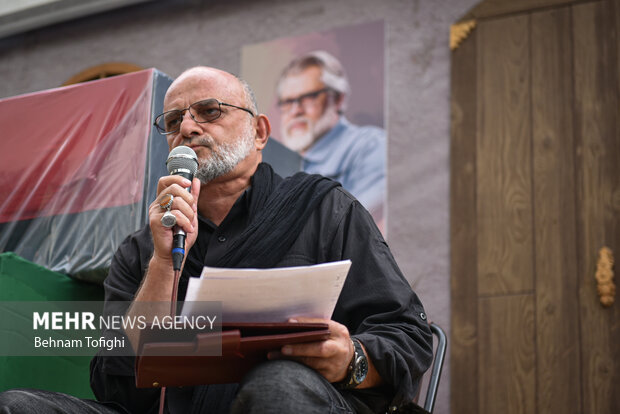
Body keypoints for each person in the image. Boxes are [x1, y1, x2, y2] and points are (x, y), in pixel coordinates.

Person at [0, 66, 432, 414]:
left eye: (208, 111)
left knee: (278, 384)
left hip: (291, 398)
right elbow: (119, 385)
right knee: (19, 405)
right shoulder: (142, 247)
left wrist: (350, 359)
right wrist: (162, 264)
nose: (187, 127)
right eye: (173, 120)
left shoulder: (324, 209)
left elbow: (407, 335)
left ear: (260, 132)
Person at [276, 51, 386, 231]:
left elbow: (355, 228)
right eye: (288, 102)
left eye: (308, 97)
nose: (295, 111)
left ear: (338, 99)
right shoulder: (274, 165)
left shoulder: (370, 146)